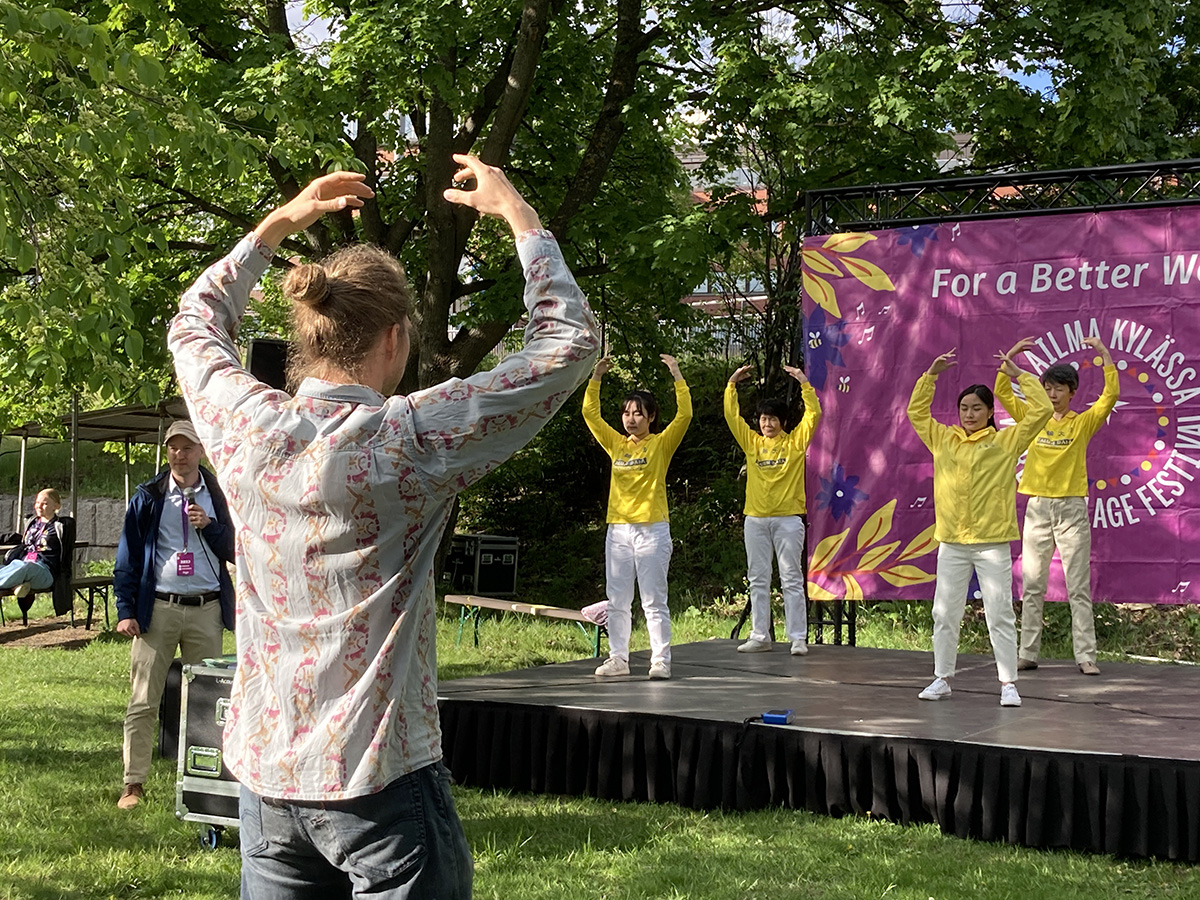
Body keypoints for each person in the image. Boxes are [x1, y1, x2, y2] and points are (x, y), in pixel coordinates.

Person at [167, 155, 599, 899]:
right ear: (395, 338)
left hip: (266, 781)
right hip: (379, 780)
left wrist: (279, 225)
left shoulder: (244, 425)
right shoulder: (410, 439)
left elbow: (194, 322)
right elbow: (569, 344)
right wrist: (520, 217)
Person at [907, 348, 1052, 707]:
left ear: (990, 412)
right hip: (952, 542)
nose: (969, 414)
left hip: (992, 543)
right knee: (944, 613)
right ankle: (942, 678)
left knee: (999, 612)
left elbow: (1042, 411)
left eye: (976, 408)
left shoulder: (1006, 441)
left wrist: (1020, 376)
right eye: (964, 408)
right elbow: (916, 412)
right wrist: (930, 375)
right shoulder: (943, 439)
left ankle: (1008, 683)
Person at [115, 419, 235, 810]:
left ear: (201, 450)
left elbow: (238, 548)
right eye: (173, 448)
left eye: (186, 448)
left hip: (206, 609)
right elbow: (128, 556)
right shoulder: (148, 495)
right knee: (143, 700)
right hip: (158, 610)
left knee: (209, 703)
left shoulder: (219, 492)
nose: (179, 455)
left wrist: (210, 526)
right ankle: (133, 784)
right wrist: (126, 609)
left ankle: (207, 786)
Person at [996, 336, 1119, 676]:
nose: (1051, 394)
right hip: (1037, 506)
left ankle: (1086, 656)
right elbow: (1003, 393)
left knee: (1077, 586)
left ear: (1071, 392)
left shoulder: (1081, 423)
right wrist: (1011, 356)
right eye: (1047, 388)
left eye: (1058, 389)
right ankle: (1027, 653)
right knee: (1032, 585)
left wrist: (1104, 354)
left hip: (1071, 509)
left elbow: (1109, 396)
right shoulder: (1034, 417)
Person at [584, 354, 692, 680]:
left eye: (638, 413)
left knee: (653, 600)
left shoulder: (660, 444)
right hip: (618, 531)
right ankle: (618, 659)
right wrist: (596, 377)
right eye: (626, 413)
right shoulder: (616, 444)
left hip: (652, 529)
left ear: (651, 417)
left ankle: (660, 661)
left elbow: (685, 414)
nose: (630, 419)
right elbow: (590, 414)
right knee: (617, 600)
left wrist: (677, 374)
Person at [724, 364, 822, 655]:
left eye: (773, 419)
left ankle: (798, 638)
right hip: (755, 520)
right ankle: (760, 635)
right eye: (764, 419)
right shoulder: (752, 443)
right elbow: (732, 416)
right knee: (758, 578)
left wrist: (804, 382)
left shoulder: (795, 443)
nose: (767, 424)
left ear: (783, 422)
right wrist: (731, 384)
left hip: (788, 520)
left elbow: (814, 414)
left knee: (791, 578)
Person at [0, 488, 65, 607]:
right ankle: (17, 585)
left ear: (56, 506)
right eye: (37, 502)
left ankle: (16, 583)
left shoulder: (60, 527)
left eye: (45, 504)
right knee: (16, 566)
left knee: (26, 567)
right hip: (21, 564)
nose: (39, 506)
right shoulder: (33, 523)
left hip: (44, 571)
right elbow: (21, 540)